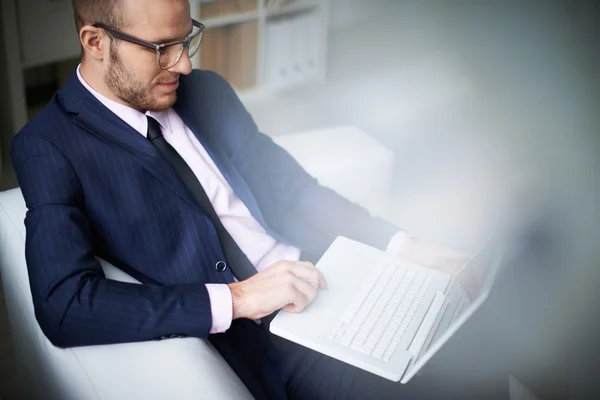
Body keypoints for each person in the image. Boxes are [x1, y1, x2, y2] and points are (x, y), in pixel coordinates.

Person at [11, 0, 478, 398]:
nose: (184, 65)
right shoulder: (49, 145)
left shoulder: (207, 90)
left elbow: (291, 189)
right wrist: (238, 298)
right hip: (271, 342)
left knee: (474, 337)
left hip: (332, 280)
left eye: (186, 38)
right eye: (160, 49)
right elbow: (66, 305)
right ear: (95, 42)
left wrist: (401, 245)